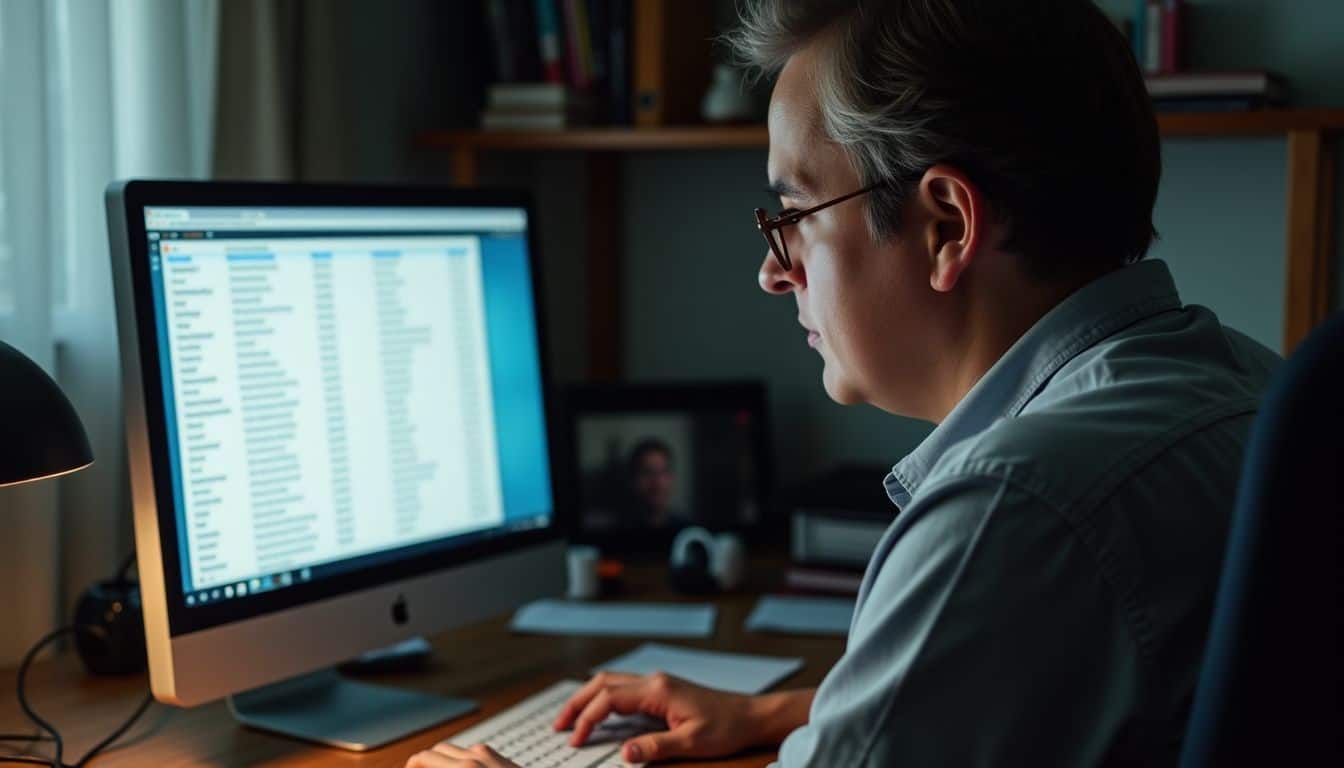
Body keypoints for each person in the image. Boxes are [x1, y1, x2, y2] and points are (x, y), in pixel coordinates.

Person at [408, 1, 1279, 765]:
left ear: (945, 225)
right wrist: (799, 714)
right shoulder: (1252, 386)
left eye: (792, 216)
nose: (771, 272)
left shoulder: (1010, 509)